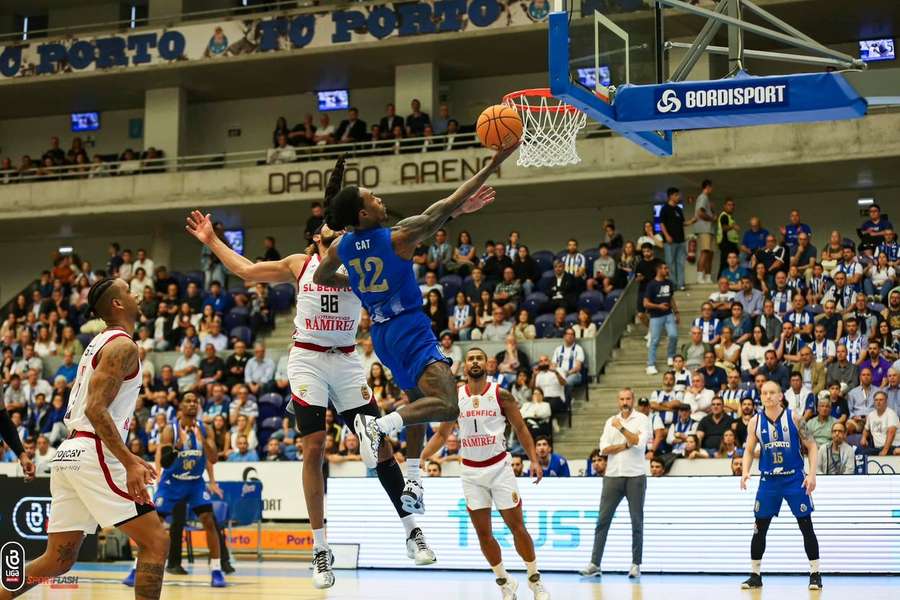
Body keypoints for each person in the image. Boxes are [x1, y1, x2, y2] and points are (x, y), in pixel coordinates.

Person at [185, 163, 435, 589]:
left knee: (377, 444)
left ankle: (412, 529)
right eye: (326, 235)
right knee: (314, 446)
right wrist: (213, 241)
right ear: (316, 237)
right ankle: (320, 549)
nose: (331, 239)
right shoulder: (299, 264)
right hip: (307, 360)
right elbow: (246, 272)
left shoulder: (357, 262)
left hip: (347, 359)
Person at [316, 145, 518, 513]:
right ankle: (377, 427)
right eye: (371, 197)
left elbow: (321, 275)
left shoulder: (342, 246)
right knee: (447, 405)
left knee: (419, 405)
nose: (379, 199)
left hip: (381, 337)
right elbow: (445, 203)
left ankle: (413, 478)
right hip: (409, 328)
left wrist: (359, 282)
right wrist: (494, 161)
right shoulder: (398, 236)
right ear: (363, 213)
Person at [2, 278, 169, 600]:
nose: (137, 295)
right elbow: (96, 409)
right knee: (156, 541)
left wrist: (130, 458)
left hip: (71, 453)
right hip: (94, 451)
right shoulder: (122, 346)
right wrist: (127, 461)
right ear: (118, 304)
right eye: (130, 291)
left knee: (57, 561)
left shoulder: (100, 342)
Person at [422, 348, 550, 600]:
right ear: (465, 366)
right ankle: (505, 582)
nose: (475, 362)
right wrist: (420, 458)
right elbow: (441, 435)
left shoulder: (501, 395)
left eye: (480, 358)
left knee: (517, 528)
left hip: (500, 468)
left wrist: (534, 459)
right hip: (470, 472)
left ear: (488, 364)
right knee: (483, 534)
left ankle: (535, 581)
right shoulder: (455, 398)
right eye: (471, 358)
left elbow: (521, 428)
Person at [126, 393, 225, 587]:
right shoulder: (169, 431)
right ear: (180, 406)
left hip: (195, 482)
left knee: (209, 520)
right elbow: (164, 461)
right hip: (172, 482)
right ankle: (135, 568)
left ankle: (216, 570)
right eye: (187, 401)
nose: (192, 404)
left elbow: (213, 459)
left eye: (195, 401)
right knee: (153, 523)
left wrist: (202, 441)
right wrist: (178, 446)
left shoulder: (205, 429)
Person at [740, 381, 821, 591]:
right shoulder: (755, 422)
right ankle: (755, 575)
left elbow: (812, 446)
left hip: (794, 478)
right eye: (764, 393)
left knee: (806, 526)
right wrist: (745, 470)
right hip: (769, 480)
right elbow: (749, 450)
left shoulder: (794, 418)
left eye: (772, 392)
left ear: (780, 396)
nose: (768, 396)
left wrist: (812, 475)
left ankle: (815, 573)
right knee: (759, 528)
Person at [580, 388, 650, 579]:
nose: (625, 402)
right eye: (622, 399)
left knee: (637, 521)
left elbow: (639, 443)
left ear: (633, 400)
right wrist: (624, 445)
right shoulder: (609, 421)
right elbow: (603, 449)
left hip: (635, 476)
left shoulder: (642, 419)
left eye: (628, 399)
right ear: (618, 401)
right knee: (602, 521)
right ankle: (595, 563)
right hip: (612, 476)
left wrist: (621, 429)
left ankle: (636, 564)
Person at [644, 262, 679, 375]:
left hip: (669, 314)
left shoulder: (669, 283)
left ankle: (671, 356)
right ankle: (650, 364)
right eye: (665, 268)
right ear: (658, 270)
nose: (667, 270)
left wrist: (676, 312)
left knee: (673, 335)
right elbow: (645, 303)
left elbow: (671, 298)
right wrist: (658, 306)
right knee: (654, 340)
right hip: (656, 316)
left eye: (667, 268)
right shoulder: (651, 285)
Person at [659, 187, 687, 290]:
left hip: (681, 240)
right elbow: (662, 224)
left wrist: (692, 221)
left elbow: (682, 223)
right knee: (670, 263)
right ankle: (673, 284)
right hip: (670, 241)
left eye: (678, 195)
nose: (678, 197)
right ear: (671, 196)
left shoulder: (679, 209)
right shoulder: (664, 208)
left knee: (680, 263)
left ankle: (681, 284)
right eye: (676, 195)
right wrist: (666, 236)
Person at [693, 179, 715, 284]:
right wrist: (711, 218)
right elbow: (700, 213)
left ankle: (707, 276)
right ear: (708, 187)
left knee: (710, 253)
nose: (712, 189)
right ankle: (699, 276)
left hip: (709, 229)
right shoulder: (702, 197)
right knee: (705, 252)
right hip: (704, 228)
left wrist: (711, 210)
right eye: (711, 187)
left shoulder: (706, 199)